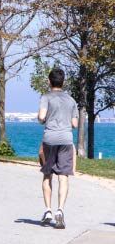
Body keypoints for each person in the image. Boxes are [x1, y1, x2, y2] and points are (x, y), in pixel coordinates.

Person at [37, 67, 78, 229]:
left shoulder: (46, 97)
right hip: (66, 140)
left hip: (49, 139)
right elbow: (74, 124)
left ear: (49, 81)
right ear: (64, 82)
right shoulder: (71, 100)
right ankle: (60, 210)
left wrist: (43, 120)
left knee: (47, 175)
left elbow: (41, 117)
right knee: (63, 176)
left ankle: (47, 210)